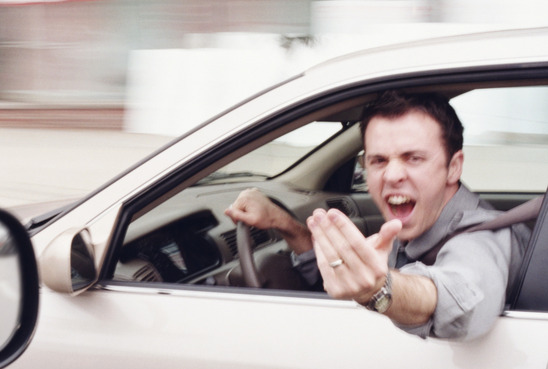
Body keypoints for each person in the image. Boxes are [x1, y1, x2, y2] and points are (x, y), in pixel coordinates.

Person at [225, 90, 529, 340]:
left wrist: (380, 289)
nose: (393, 174)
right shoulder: (414, 222)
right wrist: (282, 223)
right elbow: (347, 273)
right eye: (379, 160)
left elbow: (462, 302)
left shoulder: (482, 236)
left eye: (414, 158)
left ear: (453, 167)